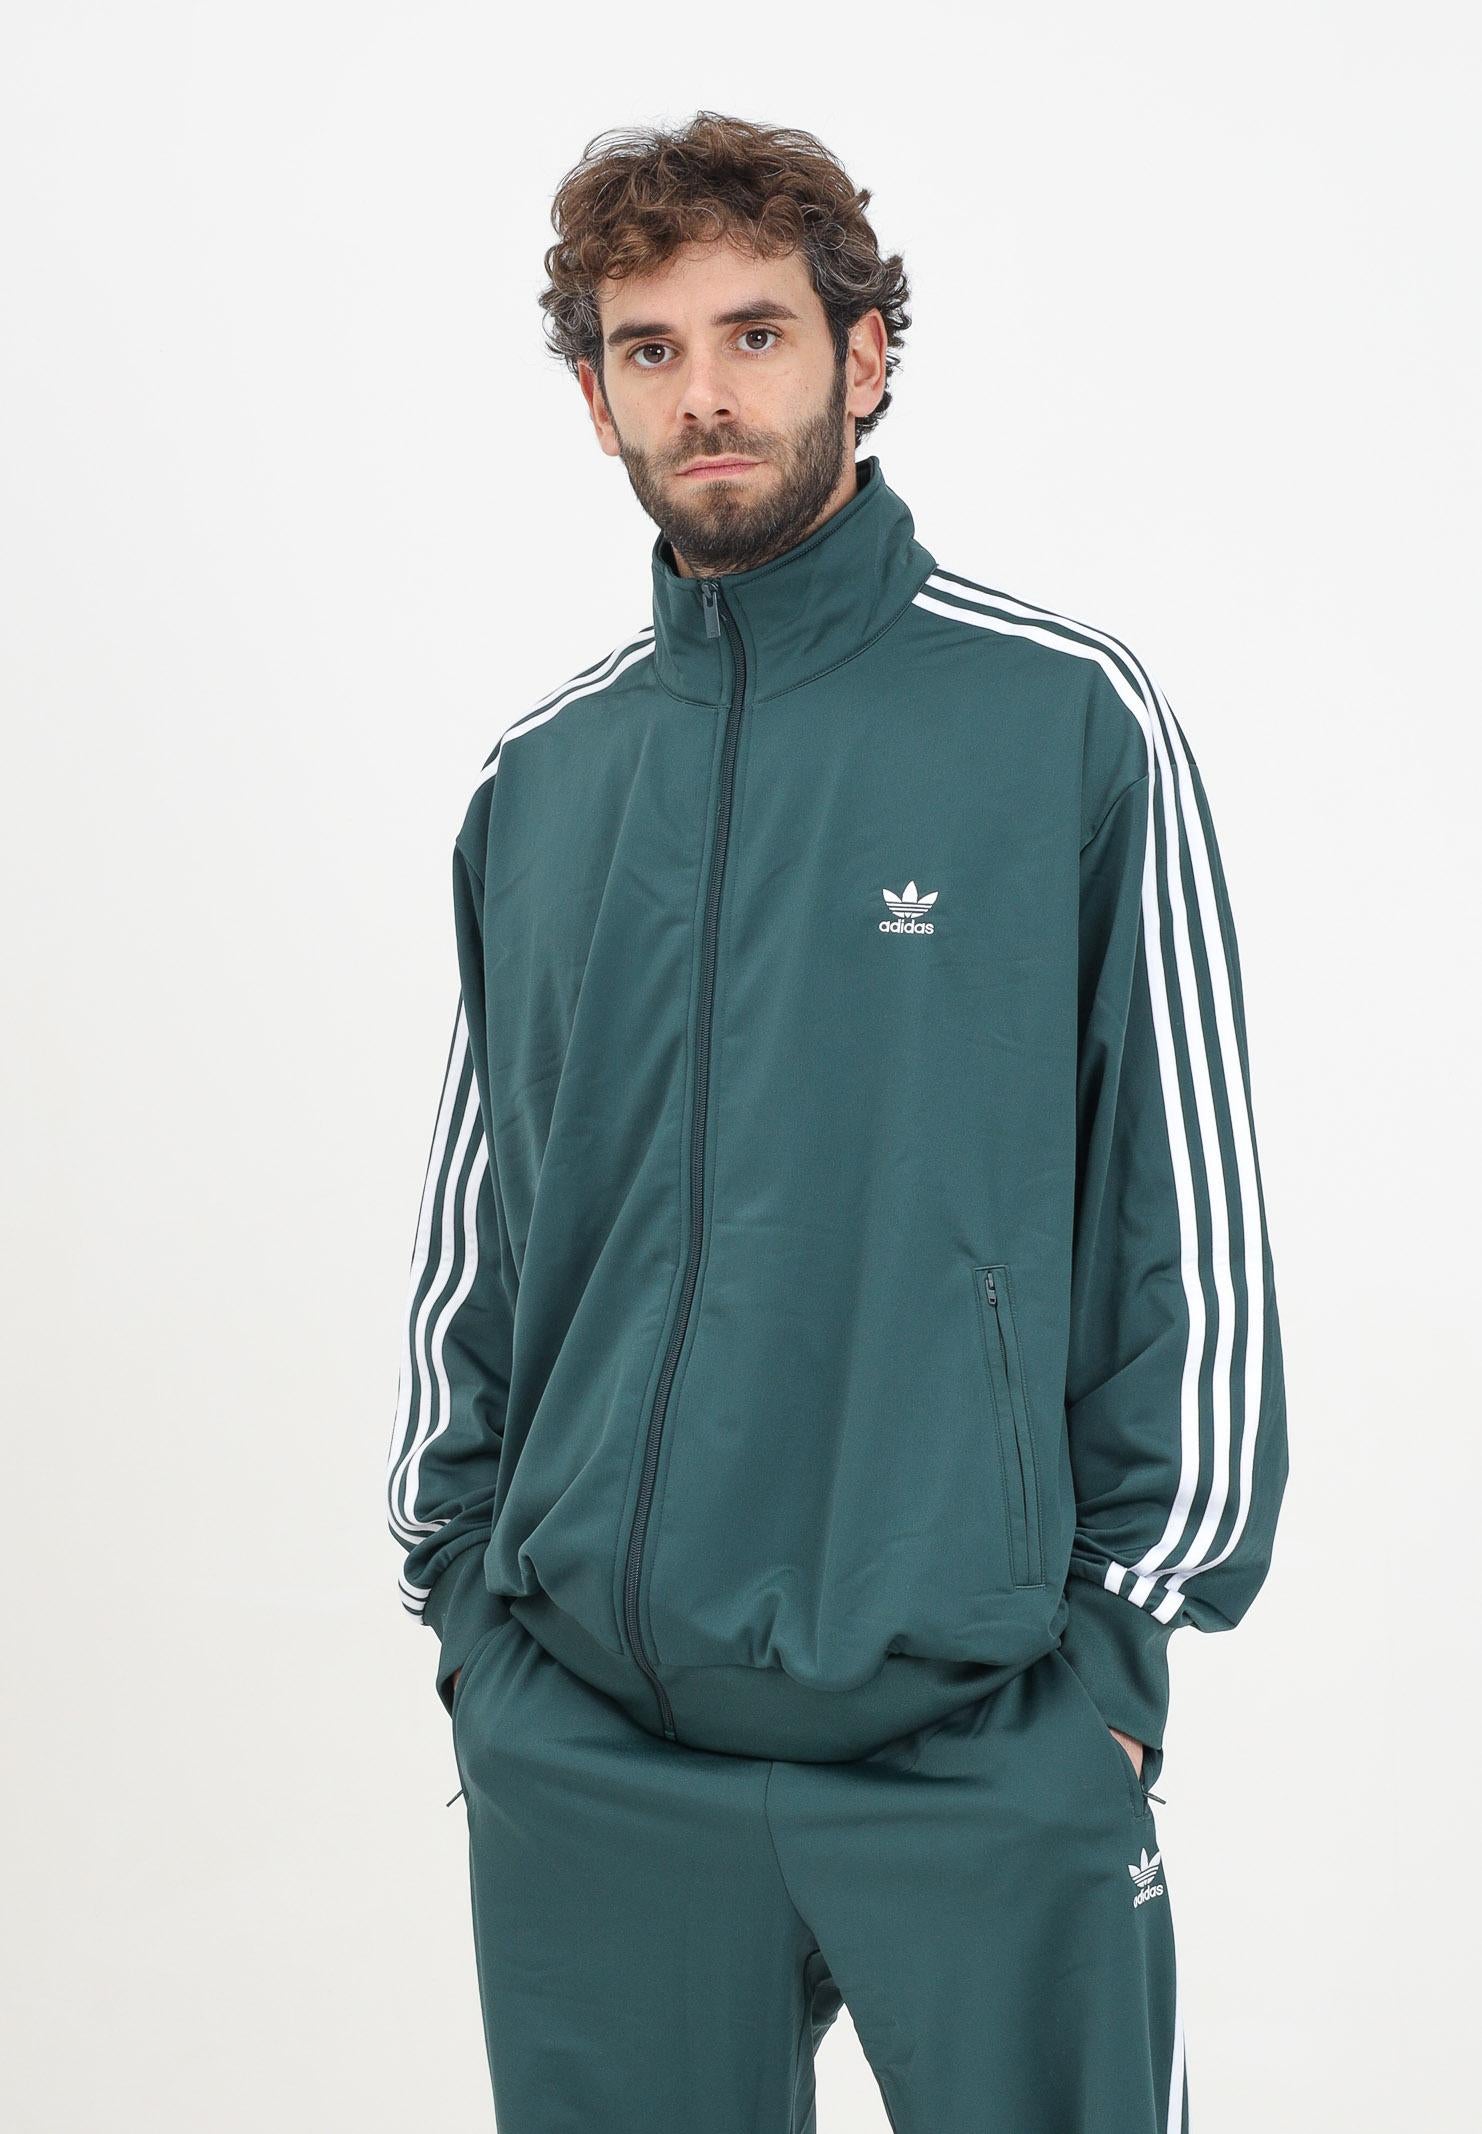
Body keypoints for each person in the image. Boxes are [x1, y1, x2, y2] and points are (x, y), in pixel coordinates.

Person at [385, 109, 1289, 2133]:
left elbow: (1187, 1220)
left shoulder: (1062, 719)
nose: (702, 393)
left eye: (756, 333)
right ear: (597, 397)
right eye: (646, 348)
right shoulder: (542, 780)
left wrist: (1112, 1666)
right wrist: (469, 1614)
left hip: (984, 1742)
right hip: (594, 1753)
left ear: (864, 357)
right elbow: (484, 1234)